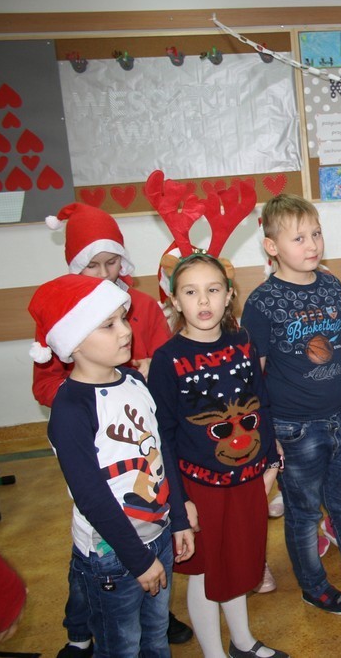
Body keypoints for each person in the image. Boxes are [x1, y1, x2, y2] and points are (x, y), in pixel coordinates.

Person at [36, 203, 192, 656]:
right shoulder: (71, 409)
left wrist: (179, 518)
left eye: (123, 319)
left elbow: (160, 452)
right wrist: (137, 559)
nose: (126, 331)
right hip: (113, 554)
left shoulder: (135, 382)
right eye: (109, 325)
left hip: (157, 536)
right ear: (74, 341)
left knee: (155, 638)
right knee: (121, 645)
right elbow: (91, 497)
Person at [243, 194, 341, 632]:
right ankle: (313, 586)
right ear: (272, 246)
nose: (311, 244)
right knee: (304, 514)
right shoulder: (262, 302)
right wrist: (267, 434)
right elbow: (255, 374)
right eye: (299, 238)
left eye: (316, 234)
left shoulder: (329, 286)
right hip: (294, 430)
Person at [148, 254, 286, 658]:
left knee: (238, 564)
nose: (203, 301)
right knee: (207, 571)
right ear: (176, 301)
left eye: (213, 290)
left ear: (228, 296)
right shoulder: (167, 359)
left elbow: (262, 403)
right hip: (199, 488)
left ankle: (242, 641)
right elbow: (163, 436)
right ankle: (214, 653)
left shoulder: (243, 343)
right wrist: (180, 504)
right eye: (191, 292)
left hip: (246, 481)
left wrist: (270, 464)